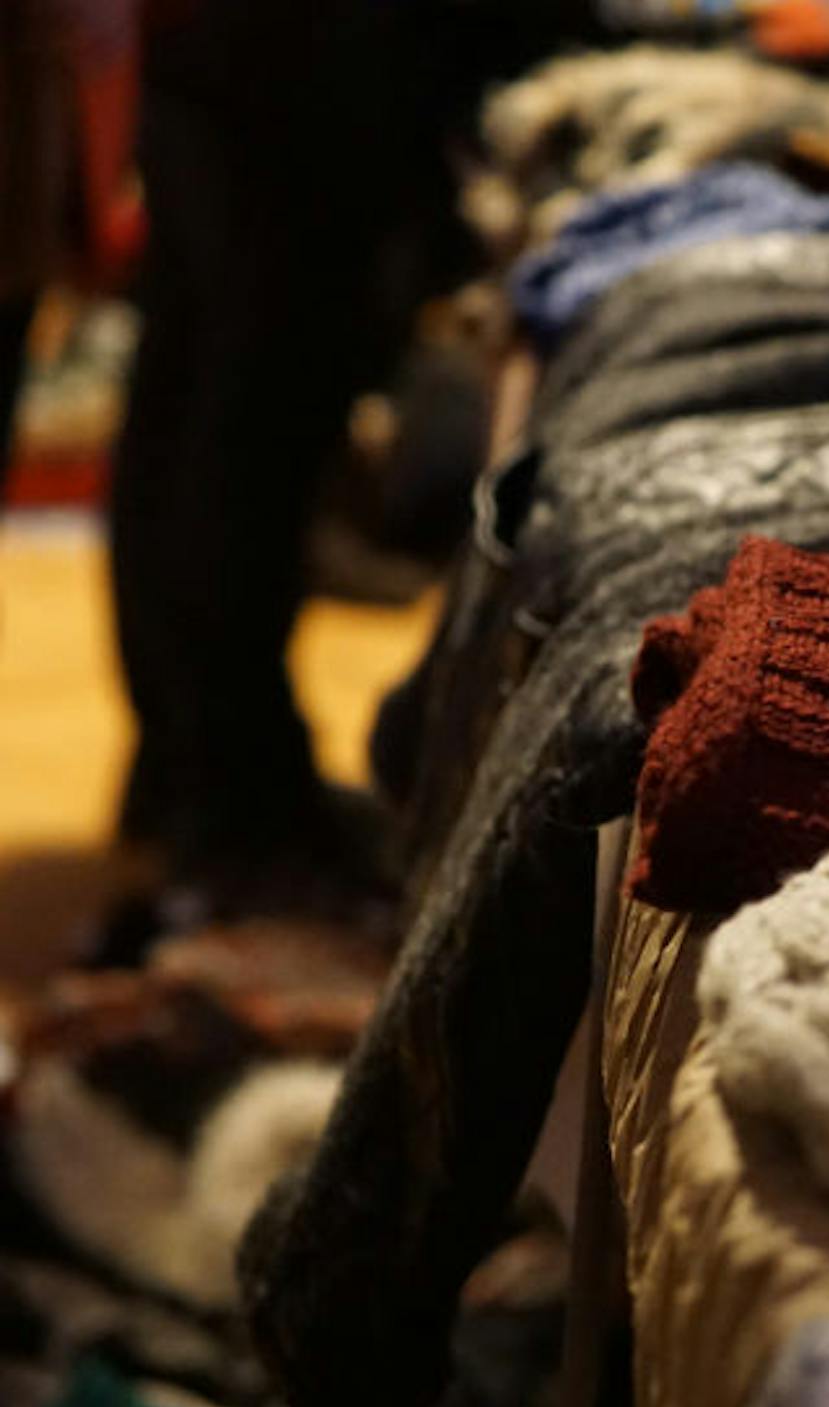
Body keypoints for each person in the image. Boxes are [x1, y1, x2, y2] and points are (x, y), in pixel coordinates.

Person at [110, 0, 592, 916]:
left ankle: (197, 780)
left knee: (204, 392)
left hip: (233, 53)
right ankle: (230, 807)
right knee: (247, 414)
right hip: (302, 58)